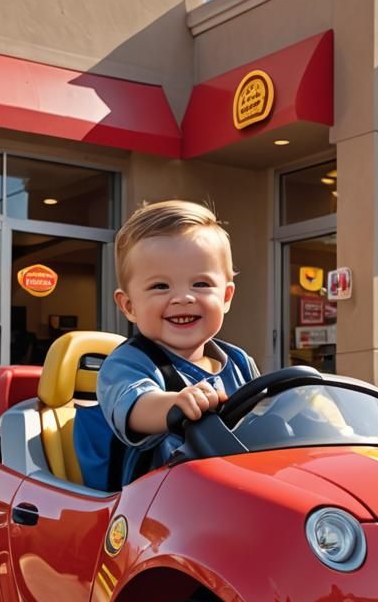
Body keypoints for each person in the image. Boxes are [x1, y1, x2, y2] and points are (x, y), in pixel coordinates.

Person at [79, 200, 259, 489]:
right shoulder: (127, 364)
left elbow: (264, 415)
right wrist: (173, 404)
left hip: (232, 488)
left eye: (200, 284)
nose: (183, 298)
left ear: (226, 297)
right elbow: (136, 407)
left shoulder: (239, 362)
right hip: (153, 504)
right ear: (129, 306)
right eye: (160, 286)